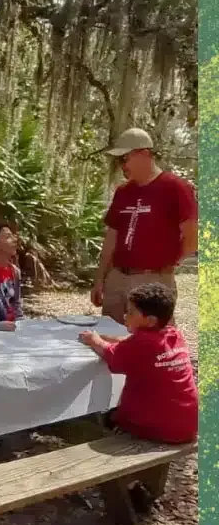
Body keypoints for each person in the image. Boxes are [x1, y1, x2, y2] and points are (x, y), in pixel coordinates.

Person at [90, 127, 198, 324]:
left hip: (153, 279)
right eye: (118, 160)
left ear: (145, 154)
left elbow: (192, 236)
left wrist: (170, 264)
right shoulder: (123, 192)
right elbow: (111, 238)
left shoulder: (175, 187)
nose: (122, 165)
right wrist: (100, 279)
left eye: (125, 158)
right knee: (110, 338)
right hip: (117, 278)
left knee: (152, 341)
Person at [79, 282, 197, 445]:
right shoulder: (173, 335)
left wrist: (95, 340)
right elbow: (134, 345)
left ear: (150, 321)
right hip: (187, 425)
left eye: (131, 312)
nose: (125, 316)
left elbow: (112, 356)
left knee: (93, 418)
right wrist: (108, 338)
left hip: (159, 429)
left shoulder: (142, 343)